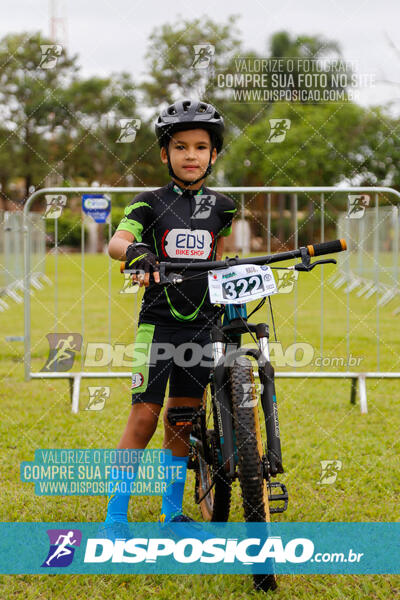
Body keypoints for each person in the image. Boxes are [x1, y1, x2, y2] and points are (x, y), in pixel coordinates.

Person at [105, 98, 236, 527]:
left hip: (203, 327)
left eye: (201, 147)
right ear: (165, 154)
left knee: (181, 420)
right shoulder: (148, 202)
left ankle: (170, 513)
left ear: (213, 154)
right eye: (181, 147)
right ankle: (116, 517)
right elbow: (117, 243)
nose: (191, 155)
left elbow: (223, 259)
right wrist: (138, 252)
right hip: (158, 325)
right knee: (144, 415)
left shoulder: (223, 207)